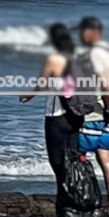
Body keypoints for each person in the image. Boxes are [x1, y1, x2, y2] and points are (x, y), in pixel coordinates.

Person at [20, 23, 80, 197]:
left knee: (58, 162)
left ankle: (65, 206)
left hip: (57, 115)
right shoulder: (79, 58)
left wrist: (28, 95)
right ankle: (76, 201)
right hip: (76, 115)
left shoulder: (54, 58)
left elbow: (41, 84)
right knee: (74, 160)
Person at [76, 15, 109, 217]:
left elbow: (104, 85)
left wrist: (107, 109)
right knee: (106, 160)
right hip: (106, 112)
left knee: (80, 157)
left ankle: (84, 202)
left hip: (94, 113)